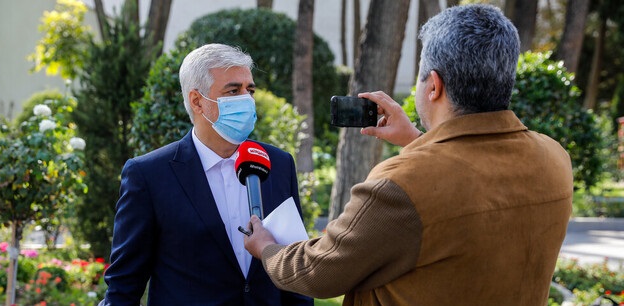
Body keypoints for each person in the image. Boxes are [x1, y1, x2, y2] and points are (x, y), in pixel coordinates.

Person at [244, 4, 573, 305]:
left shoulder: (400, 183)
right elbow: (473, 183)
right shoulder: (554, 158)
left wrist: (267, 248)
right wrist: (418, 140)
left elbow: (319, 271)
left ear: (433, 86)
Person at [101, 43, 313, 305]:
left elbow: (295, 269)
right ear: (197, 101)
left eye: (250, 90)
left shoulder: (278, 163)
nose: (246, 99)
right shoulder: (148, 174)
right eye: (233, 90)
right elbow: (124, 286)